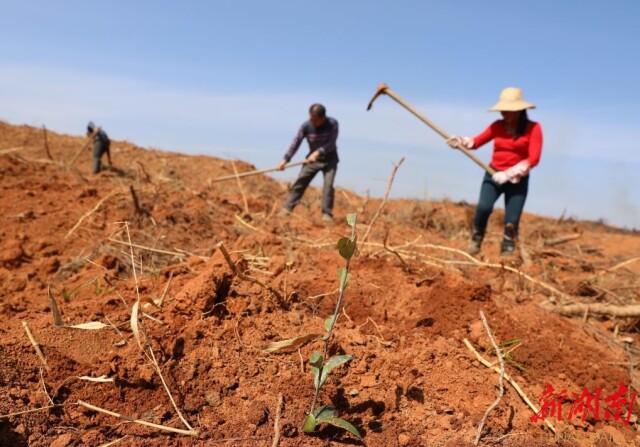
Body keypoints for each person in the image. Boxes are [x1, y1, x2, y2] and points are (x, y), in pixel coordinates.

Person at [447, 87, 543, 256]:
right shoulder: (497, 126)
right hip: (493, 174)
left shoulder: (534, 128)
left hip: (517, 181)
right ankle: (475, 242)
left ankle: (507, 250)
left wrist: (509, 174)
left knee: (512, 219)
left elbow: (533, 159)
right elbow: (475, 142)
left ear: (519, 111)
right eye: (502, 110)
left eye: (508, 110)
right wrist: (460, 141)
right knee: (483, 208)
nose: (504, 114)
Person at [277, 103, 339, 221]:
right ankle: (287, 208)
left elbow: (331, 143)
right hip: (311, 161)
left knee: (328, 185)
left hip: (330, 160)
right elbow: (295, 143)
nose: (313, 122)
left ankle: (327, 213)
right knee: (300, 181)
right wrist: (285, 159)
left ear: (323, 118)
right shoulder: (305, 126)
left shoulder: (332, 124)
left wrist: (317, 152)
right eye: (311, 118)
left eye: (315, 120)